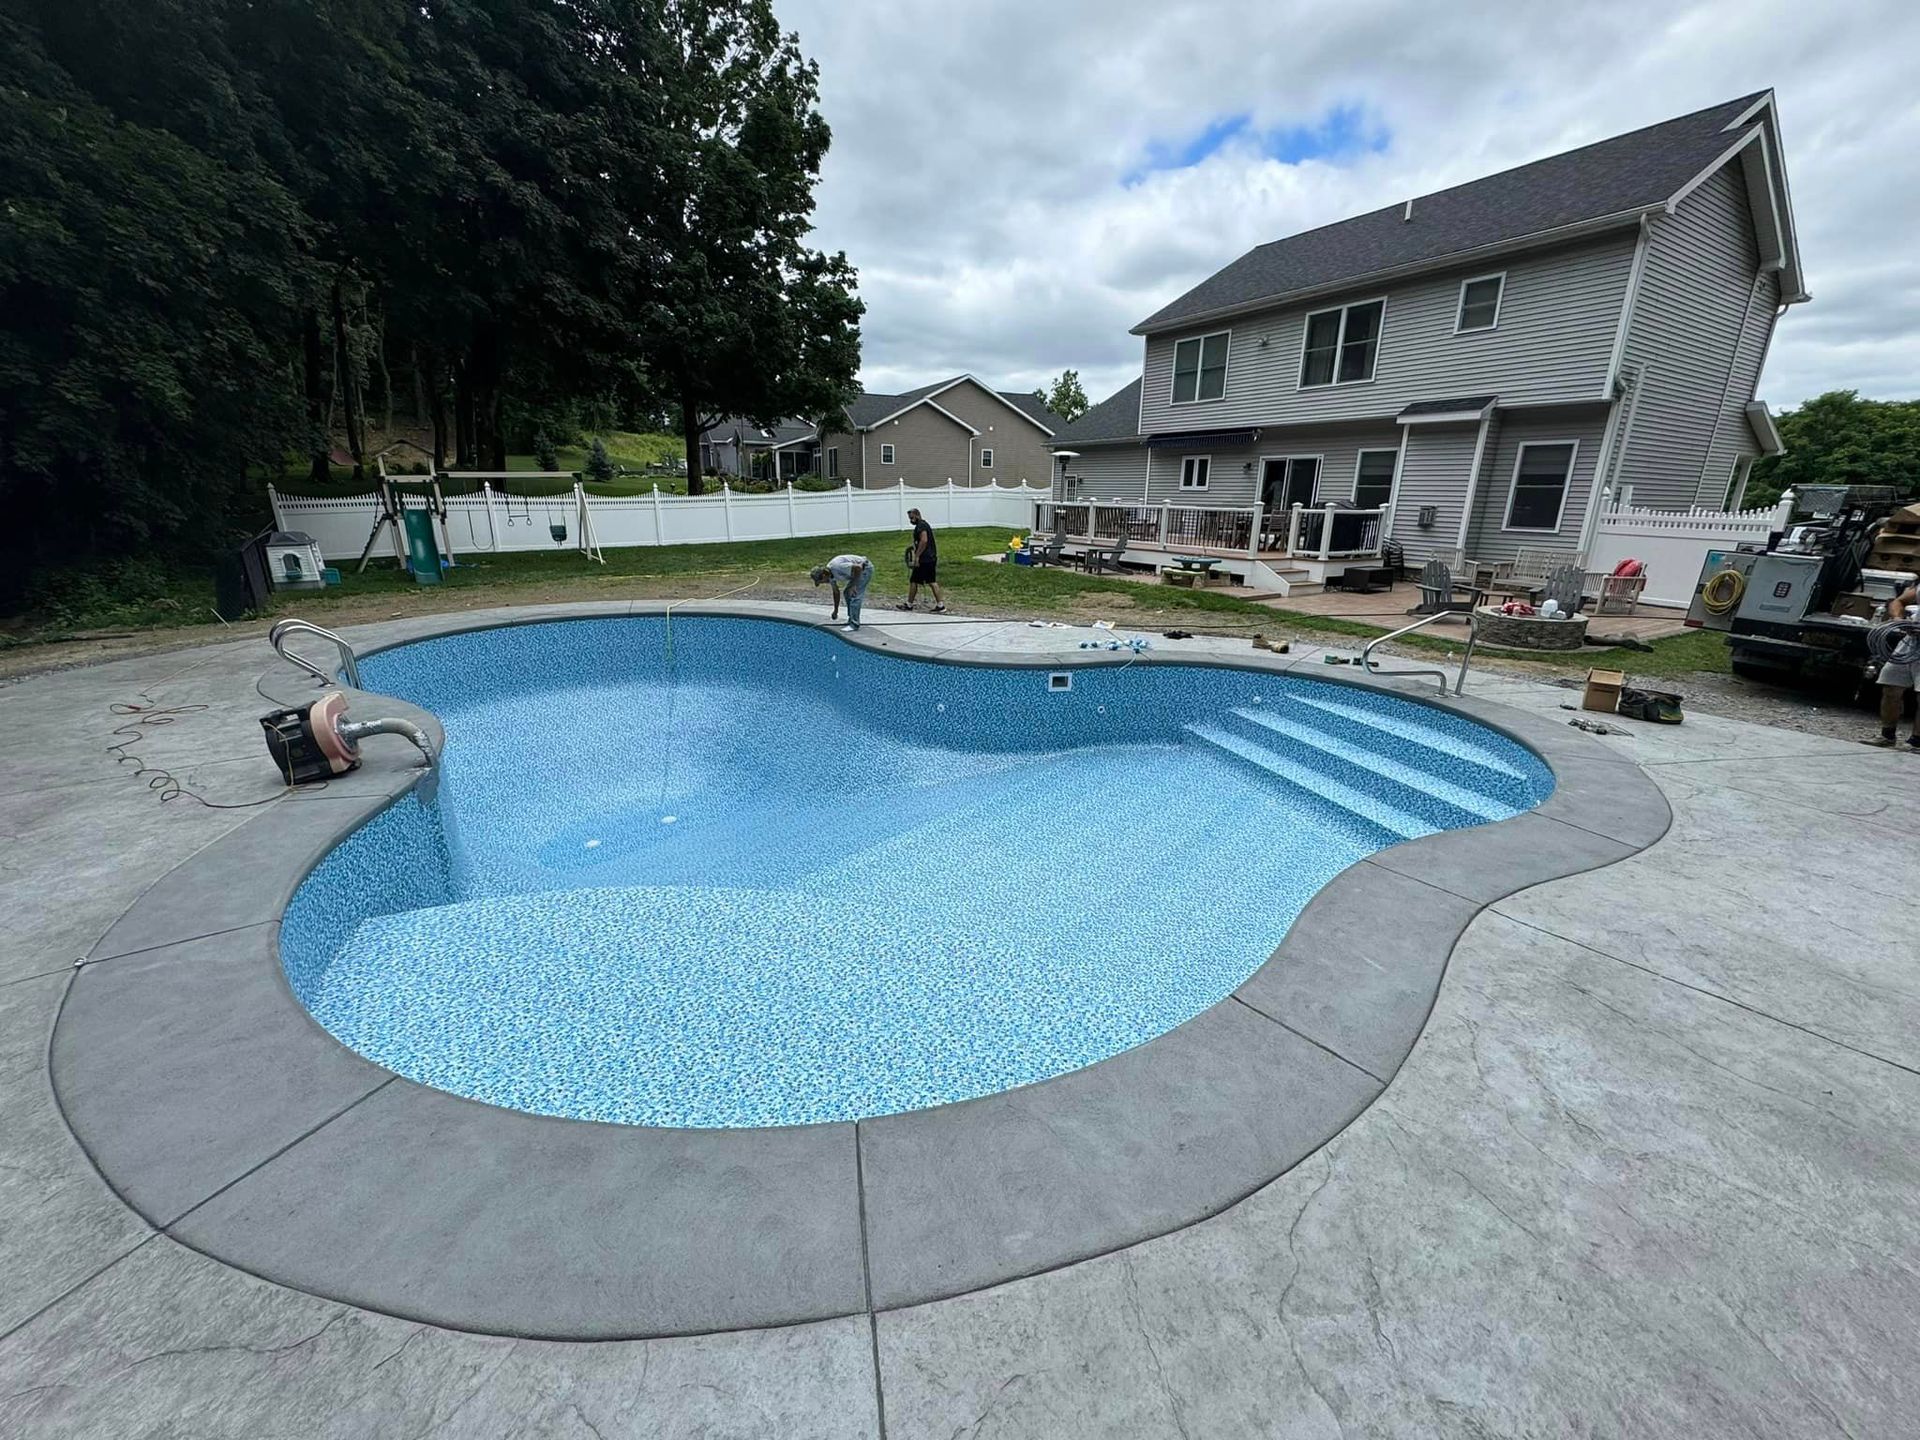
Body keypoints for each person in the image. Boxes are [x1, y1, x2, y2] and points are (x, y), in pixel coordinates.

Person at [1867, 580, 1920, 749]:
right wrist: (1898, 619)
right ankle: (1887, 735)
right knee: (1890, 686)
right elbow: (1899, 601)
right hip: (1910, 642)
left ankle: (1916, 742)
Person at [896, 507, 946, 613]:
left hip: (925, 559)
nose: (911, 520)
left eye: (912, 518)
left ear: (917, 515)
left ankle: (911, 604)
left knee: (921, 581)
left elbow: (924, 540)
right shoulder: (923, 525)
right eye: (909, 518)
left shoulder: (921, 526)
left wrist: (917, 556)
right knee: (923, 580)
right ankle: (939, 605)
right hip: (929, 558)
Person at [810, 554, 872, 631]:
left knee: (854, 595)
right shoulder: (830, 576)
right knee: (847, 593)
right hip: (856, 571)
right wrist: (836, 611)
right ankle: (851, 619)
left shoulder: (837, 567)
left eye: (821, 581)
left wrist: (854, 586)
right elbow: (836, 592)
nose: (824, 583)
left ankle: (854, 624)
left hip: (865, 568)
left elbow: (858, 568)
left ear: (824, 575)